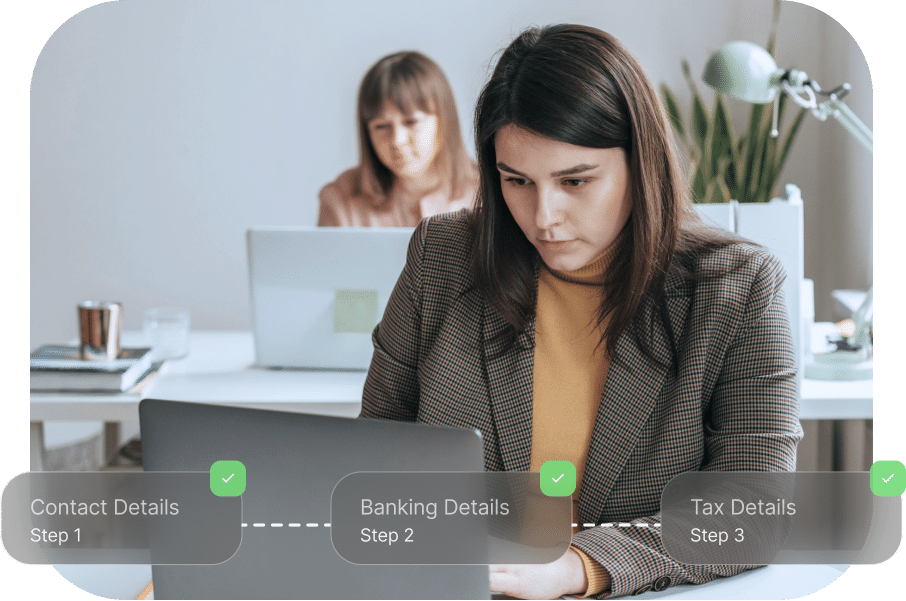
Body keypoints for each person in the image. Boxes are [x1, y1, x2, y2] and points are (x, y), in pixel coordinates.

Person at [361, 24, 801, 600]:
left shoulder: (737, 288)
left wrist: (577, 567)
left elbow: (756, 509)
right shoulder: (442, 258)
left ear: (640, 163)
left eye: (575, 181)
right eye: (517, 181)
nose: (544, 216)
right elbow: (372, 462)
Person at [318, 51, 478, 227]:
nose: (397, 140)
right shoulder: (341, 199)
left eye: (411, 122)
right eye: (381, 126)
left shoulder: (490, 193)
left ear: (445, 119)